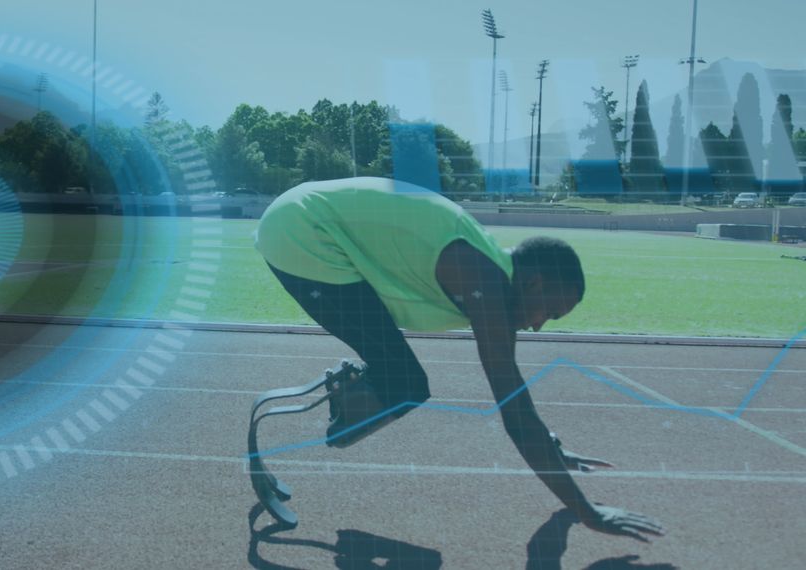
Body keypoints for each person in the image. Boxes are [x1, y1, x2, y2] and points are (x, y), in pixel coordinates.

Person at [254, 177, 665, 542]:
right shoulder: (482, 278)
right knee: (404, 383)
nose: (539, 326)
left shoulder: (489, 272)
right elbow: (516, 414)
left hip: (308, 222)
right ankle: (338, 399)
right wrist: (588, 512)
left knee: (402, 381)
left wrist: (551, 448)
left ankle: (350, 392)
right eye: (550, 312)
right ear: (534, 282)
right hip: (302, 232)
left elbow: (517, 402)